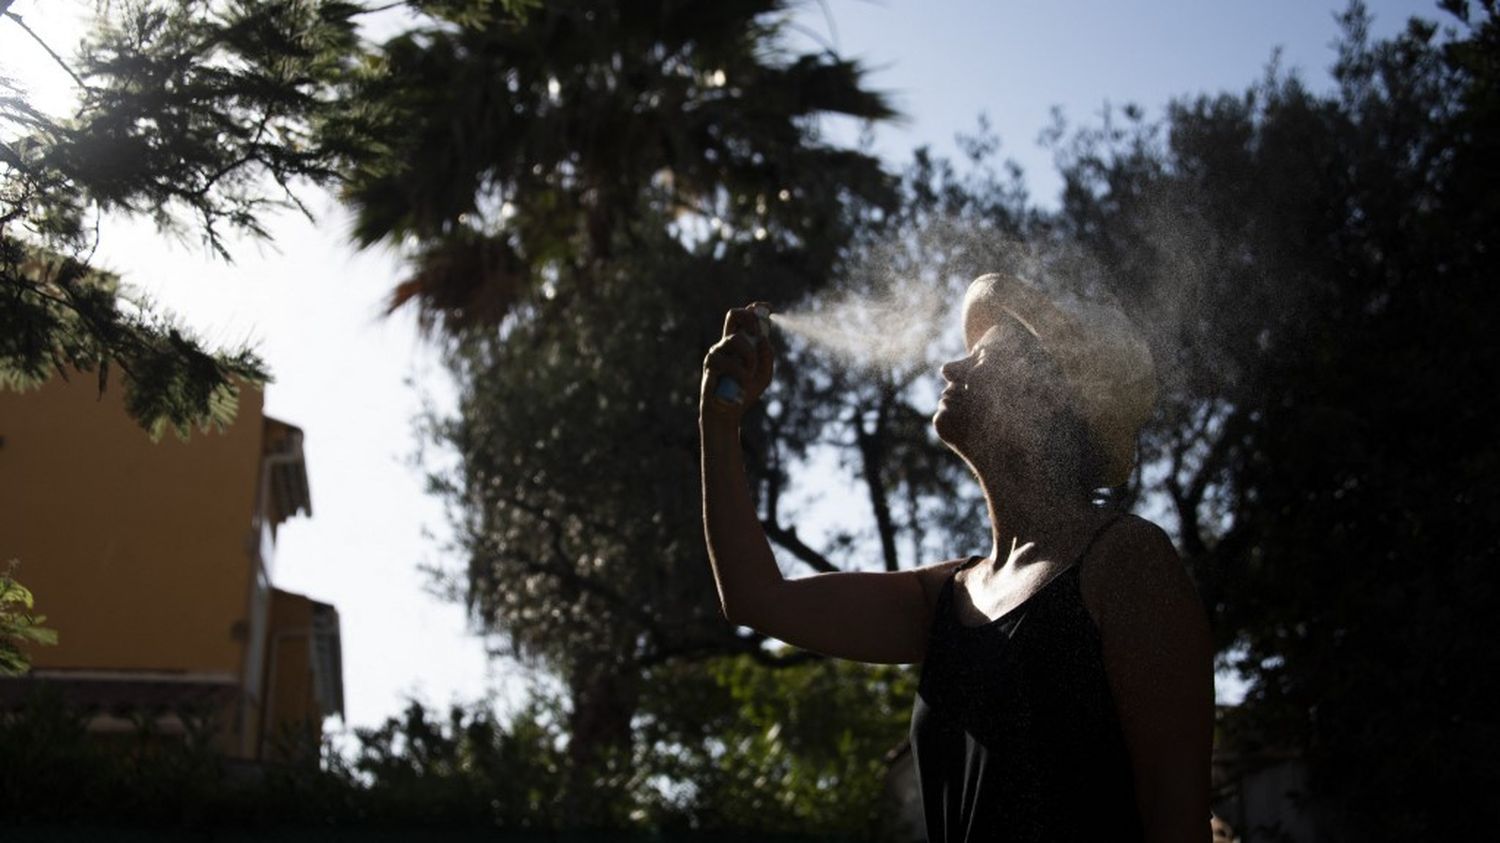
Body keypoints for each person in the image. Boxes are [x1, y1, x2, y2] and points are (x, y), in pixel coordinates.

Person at [699, 273, 1214, 841]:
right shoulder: (951, 597)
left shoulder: (1127, 562)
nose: (951, 369)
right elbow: (755, 599)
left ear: (1046, 400)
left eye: (983, 359)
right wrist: (720, 422)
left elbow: (1178, 820)